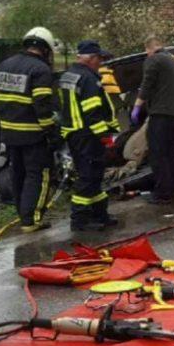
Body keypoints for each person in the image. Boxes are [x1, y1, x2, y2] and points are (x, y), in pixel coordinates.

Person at [0, 27, 60, 232]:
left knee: (17, 173)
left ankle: (23, 215)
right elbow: (42, 107)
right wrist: (52, 134)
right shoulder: (40, 70)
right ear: (46, 49)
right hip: (33, 134)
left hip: (9, 134)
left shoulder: (5, 65)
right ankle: (32, 219)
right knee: (38, 174)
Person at [58, 41, 120, 231]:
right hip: (88, 136)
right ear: (91, 58)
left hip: (75, 134)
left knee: (94, 177)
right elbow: (93, 112)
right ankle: (79, 220)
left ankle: (100, 215)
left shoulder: (68, 76)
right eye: (99, 59)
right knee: (88, 177)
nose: (101, 63)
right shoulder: (88, 78)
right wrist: (105, 137)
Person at [132, 37, 174, 203]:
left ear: (148, 49)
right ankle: (169, 191)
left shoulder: (153, 59)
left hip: (161, 114)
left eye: (146, 51)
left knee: (158, 153)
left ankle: (162, 194)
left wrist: (137, 107)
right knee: (171, 153)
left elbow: (147, 84)